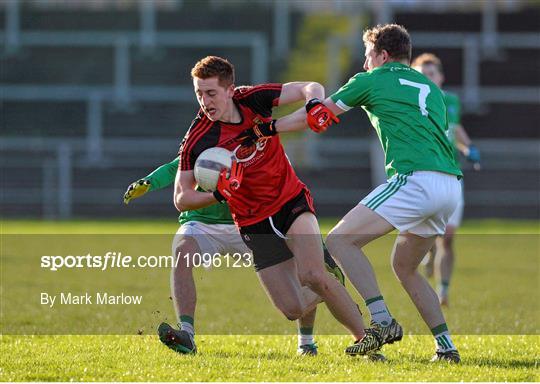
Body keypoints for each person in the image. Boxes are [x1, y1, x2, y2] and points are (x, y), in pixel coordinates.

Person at [256, 24, 463, 363]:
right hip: (449, 185)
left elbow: (318, 116)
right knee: (405, 266)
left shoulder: (370, 79)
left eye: (368, 56)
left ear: (382, 55)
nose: (365, 63)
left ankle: (381, 320)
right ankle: (446, 347)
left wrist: (267, 128)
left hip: (415, 179)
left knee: (339, 241)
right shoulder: (429, 86)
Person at [172, 55, 382, 357]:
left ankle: (366, 340)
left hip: (289, 201)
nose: (204, 101)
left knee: (312, 275)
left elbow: (311, 86)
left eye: (211, 93)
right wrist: (220, 194)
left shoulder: (253, 100)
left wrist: (313, 105)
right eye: (199, 93)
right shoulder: (198, 139)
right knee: (292, 308)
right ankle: (331, 285)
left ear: (230, 90)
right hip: (253, 224)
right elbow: (181, 198)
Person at [123, 158, 345, 356]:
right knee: (182, 252)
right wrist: (150, 181)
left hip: (250, 222)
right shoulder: (206, 132)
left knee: (299, 274)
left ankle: (306, 341)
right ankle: (187, 335)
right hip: (202, 222)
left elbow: (283, 181)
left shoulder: (259, 136)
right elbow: (177, 167)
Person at [411, 53, 481, 307]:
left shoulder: (450, 101)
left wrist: (468, 147)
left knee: (448, 236)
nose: (428, 79)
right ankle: (428, 253)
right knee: (427, 234)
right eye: (422, 75)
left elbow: (454, 128)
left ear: (440, 77)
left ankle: (443, 290)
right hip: (423, 176)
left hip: (451, 176)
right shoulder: (412, 103)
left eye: (431, 74)